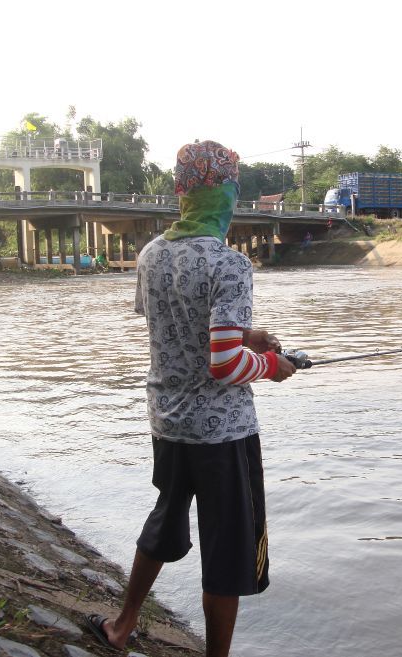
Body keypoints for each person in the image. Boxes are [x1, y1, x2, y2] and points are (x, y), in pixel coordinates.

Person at [85, 140, 296, 657]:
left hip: (168, 421)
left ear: (181, 191)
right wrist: (273, 366)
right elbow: (222, 366)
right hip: (223, 435)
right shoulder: (230, 265)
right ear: (229, 192)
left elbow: (175, 330)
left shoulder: (151, 255)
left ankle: (122, 624)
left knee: (166, 515)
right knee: (228, 553)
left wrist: (248, 334)